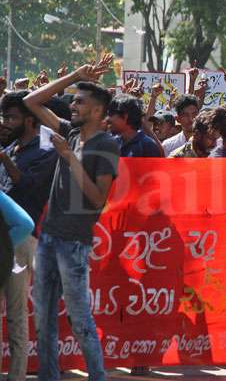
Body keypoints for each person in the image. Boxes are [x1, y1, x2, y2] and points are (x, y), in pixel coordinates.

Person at [23, 55, 120, 381]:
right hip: (48, 239)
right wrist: (76, 74)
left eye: (79, 102)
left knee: (80, 321)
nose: (72, 105)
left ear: (96, 111)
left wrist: (70, 158)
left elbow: (97, 199)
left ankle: (98, 376)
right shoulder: (69, 131)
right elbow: (30, 101)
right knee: (44, 320)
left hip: (73, 244)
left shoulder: (106, 145)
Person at [0, 90, 58, 380]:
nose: (6, 122)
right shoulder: (11, 150)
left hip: (22, 241)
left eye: (12, 117)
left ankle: (17, 375)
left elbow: (27, 187)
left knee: (16, 314)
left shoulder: (46, 153)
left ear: (30, 120)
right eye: (4, 117)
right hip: (2, 237)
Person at [108, 94, 162, 158]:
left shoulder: (147, 146)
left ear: (125, 116)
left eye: (111, 115)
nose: (108, 119)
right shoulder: (113, 143)